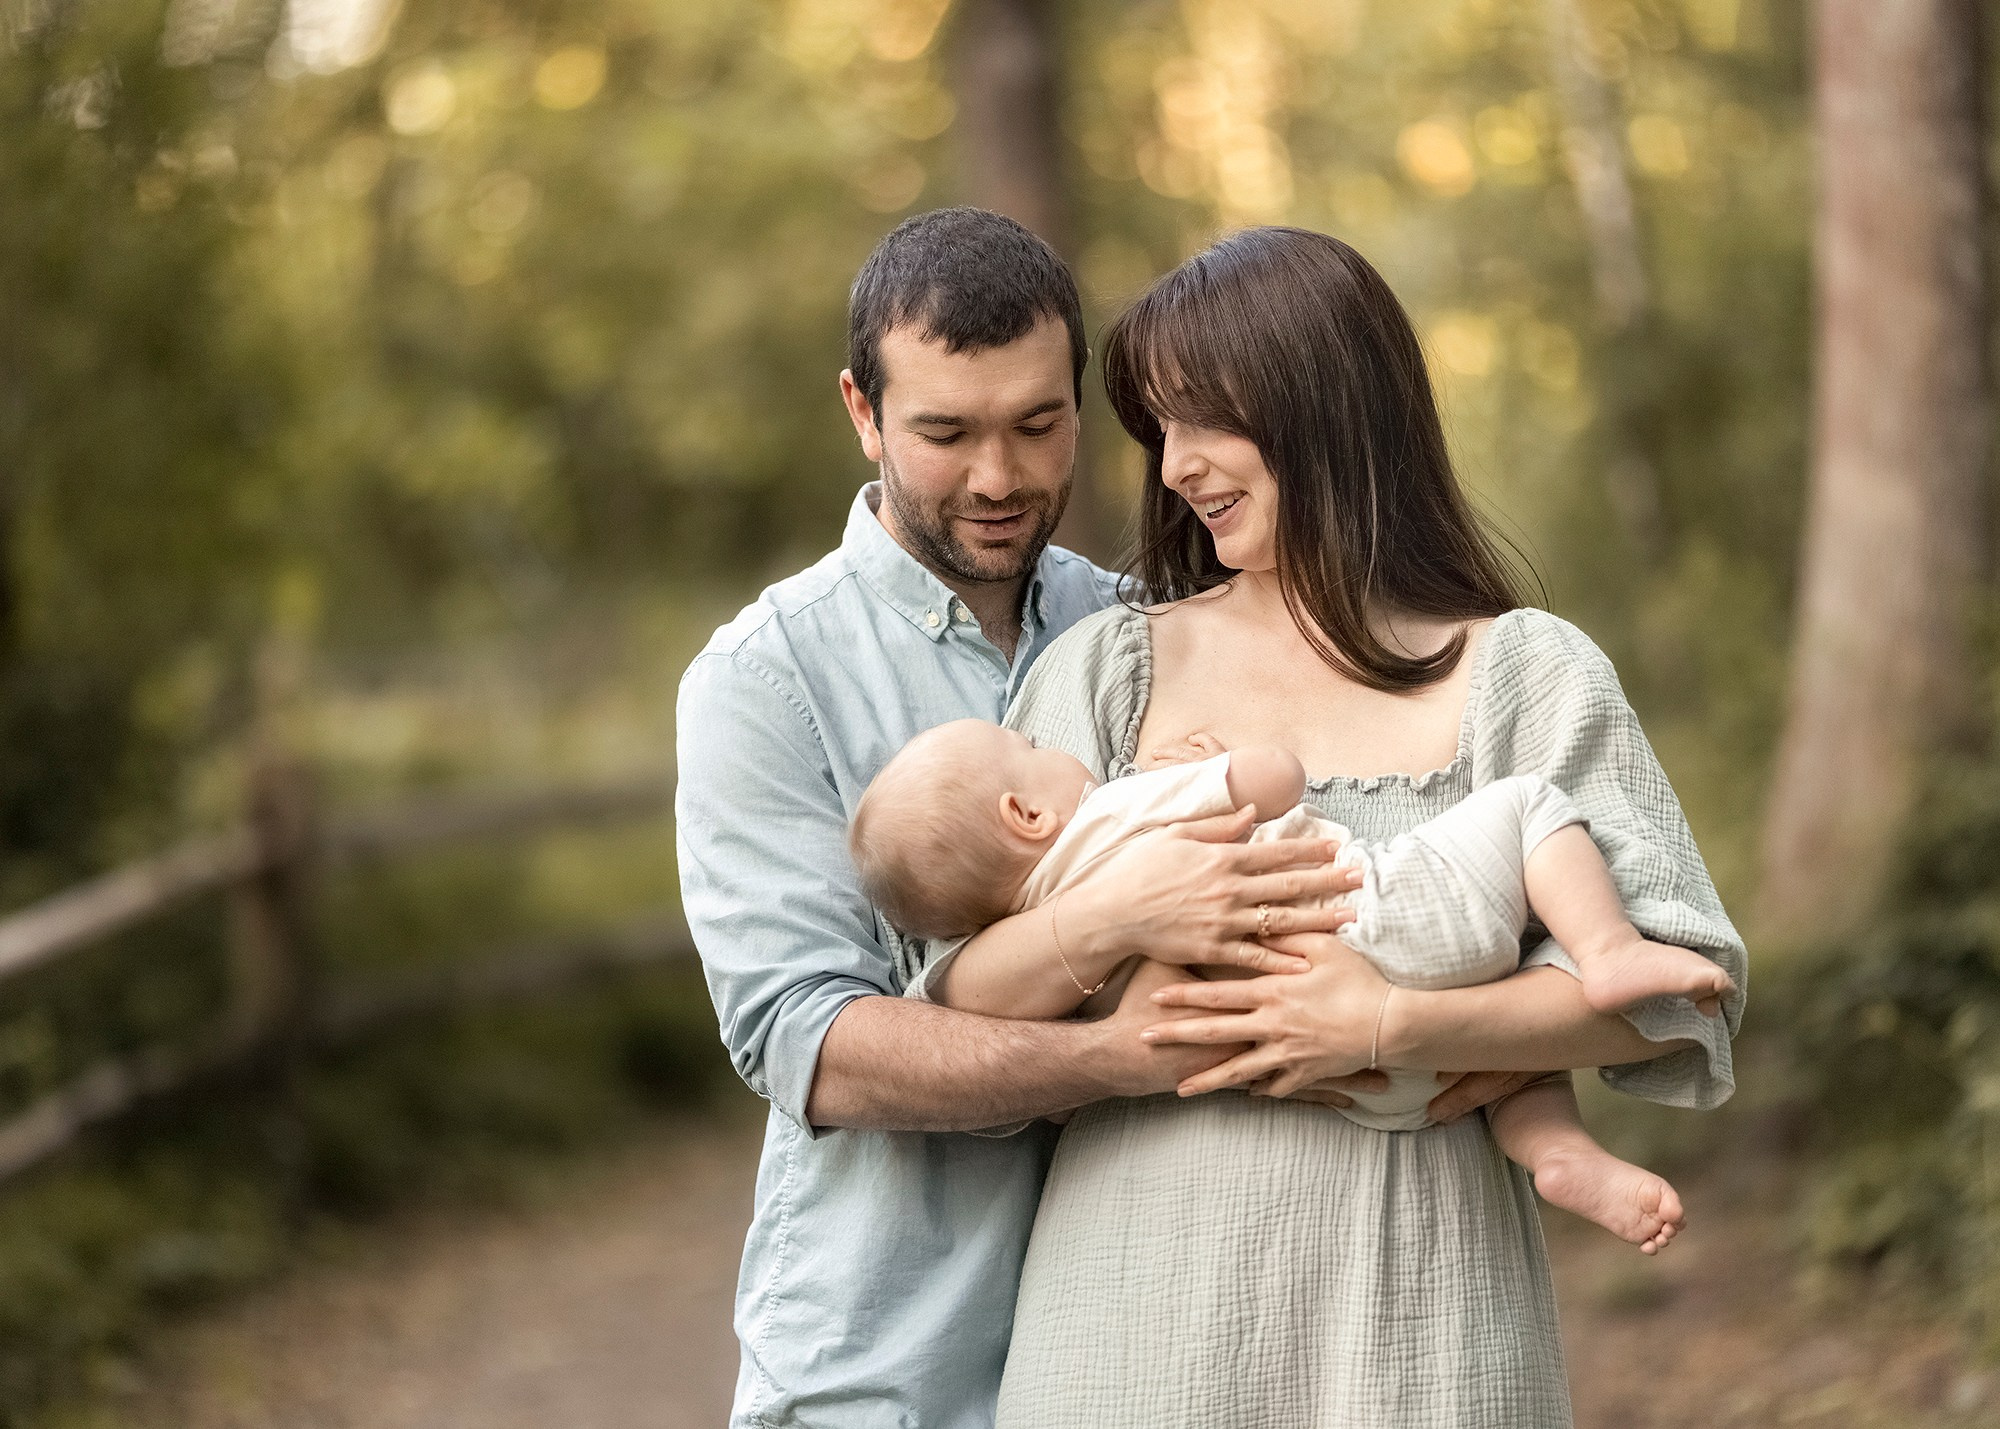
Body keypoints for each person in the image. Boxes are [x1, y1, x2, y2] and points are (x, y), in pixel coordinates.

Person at [930, 226, 1747, 1427]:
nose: (1176, 467)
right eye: (1159, 430)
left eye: (1206, 421)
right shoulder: (1107, 667)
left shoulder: (1523, 672)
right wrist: (1119, 915)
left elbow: (1681, 986)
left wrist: (1387, 1022)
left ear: (1324, 405)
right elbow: (959, 999)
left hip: (1421, 1311)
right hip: (1134, 1317)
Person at [675, 209, 1378, 1429]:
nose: (997, 479)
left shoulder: (1150, 626)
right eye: (944, 433)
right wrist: (1117, 1056)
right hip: (890, 1366)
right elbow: (808, 1043)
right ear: (861, 412)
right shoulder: (765, 680)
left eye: (1036, 425)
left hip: (1153, 1345)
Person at [849, 718, 1736, 1254]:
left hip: (1364, 1092)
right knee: (1528, 807)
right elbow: (1278, 778)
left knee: (1504, 1077)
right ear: (1026, 812)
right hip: (1382, 921)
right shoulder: (1119, 809)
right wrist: (1204, 765)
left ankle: (1556, 1153)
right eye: (1032, 748)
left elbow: (967, 997)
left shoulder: (1047, 954)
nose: (1053, 746)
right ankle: (1608, 948)